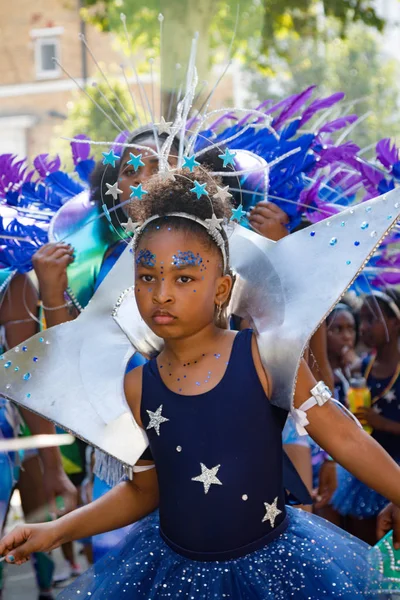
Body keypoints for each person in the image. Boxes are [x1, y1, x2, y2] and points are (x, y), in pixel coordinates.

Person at [1, 168, 400, 599]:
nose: (162, 293)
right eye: (147, 276)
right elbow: (142, 491)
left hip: (274, 574)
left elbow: (344, 435)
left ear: (222, 287)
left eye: (184, 278)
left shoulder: (264, 356)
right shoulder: (137, 387)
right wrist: (56, 530)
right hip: (173, 579)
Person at [331, 289, 400, 545]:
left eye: (372, 319)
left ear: (395, 322)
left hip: (396, 468)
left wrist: (384, 424)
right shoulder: (360, 369)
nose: (364, 328)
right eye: (363, 320)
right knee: (364, 543)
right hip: (367, 464)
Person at [326, 302, 360, 405]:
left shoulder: (362, 367)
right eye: (337, 329)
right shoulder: (315, 372)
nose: (347, 336)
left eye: (351, 329)